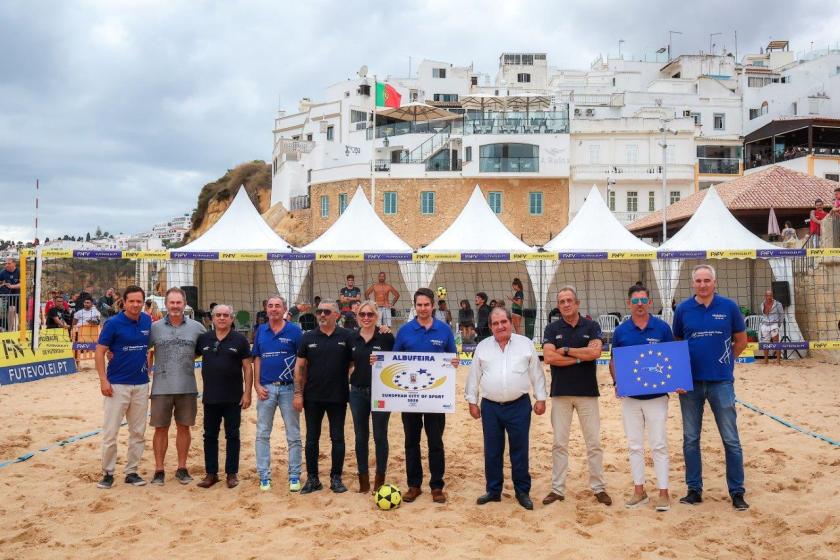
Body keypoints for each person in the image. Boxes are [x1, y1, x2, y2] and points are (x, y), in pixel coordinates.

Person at [673, 264, 749, 511]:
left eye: (707, 280)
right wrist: (680, 376)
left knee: (731, 440)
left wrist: (726, 362)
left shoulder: (729, 307)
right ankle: (694, 490)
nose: (703, 284)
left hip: (721, 382)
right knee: (691, 439)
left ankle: (737, 492)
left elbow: (741, 341)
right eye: (698, 281)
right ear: (693, 283)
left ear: (714, 282)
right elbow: (677, 345)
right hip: (691, 384)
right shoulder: (683, 309)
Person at [465, 307, 547, 510]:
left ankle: (522, 492)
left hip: (519, 405)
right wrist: (471, 401)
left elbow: (537, 374)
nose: (500, 326)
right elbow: (473, 376)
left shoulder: (526, 344)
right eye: (495, 323)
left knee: (519, 451)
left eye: (504, 322)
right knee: (492, 451)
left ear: (510, 322)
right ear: (490, 326)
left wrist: (541, 398)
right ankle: (493, 491)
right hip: (490, 407)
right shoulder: (483, 347)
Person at [541, 286, 612, 507]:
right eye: (561, 301)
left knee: (593, 443)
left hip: (587, 392)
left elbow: (595, 353)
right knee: (559, 444)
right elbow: (549, 358)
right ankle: (557, 489)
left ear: (577, 302)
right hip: (560, 393)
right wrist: (580, 357)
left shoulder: (591, 325)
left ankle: (599, 488)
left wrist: (566, 350)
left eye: (569, 300)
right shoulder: (552, 328)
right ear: (558, 305)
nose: (566, 304)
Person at [609, 284, 675, 512]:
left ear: (650, 302)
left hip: (657, 397)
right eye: (635, 301)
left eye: (643, 300)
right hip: (631, 399)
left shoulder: (662, 328)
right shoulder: (621, 331)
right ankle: (640, 491)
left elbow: (672, 360)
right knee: (634, 446)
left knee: (659, 445)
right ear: (629, 304)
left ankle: (663, 493)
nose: (639, 305)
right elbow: (614, 361)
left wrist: (677, 382)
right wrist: (617, 383)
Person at [393, 287, 458, 504]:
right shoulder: (404, 331)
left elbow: (452, 358)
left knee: (435, 442)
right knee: (411, 441)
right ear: (415, 306)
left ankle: (437, 486)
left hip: (435, 397)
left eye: (426, 305)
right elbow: (394, 361)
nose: (423, 309)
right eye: (419, 305)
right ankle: (414, 485)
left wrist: (455, 362)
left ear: (432, 306)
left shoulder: (444, 330)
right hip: (410, 397)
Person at [147, 287, 207, 486]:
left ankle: (182, 468)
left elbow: (204, 350)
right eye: (171, 302)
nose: (175, 306)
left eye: (178, 302)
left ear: (184, 304)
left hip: (187, 386)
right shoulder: (154, 328)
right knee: (160, 429)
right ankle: (159, 470)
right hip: (160, 387)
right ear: (166, 304)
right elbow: (142, 349)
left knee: (184, 428)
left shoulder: (197, 327)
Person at [94, 285, 152, 489]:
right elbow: (100, 352)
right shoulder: (113, 323)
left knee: (138, 432)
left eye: (139, 301)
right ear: (124, 302)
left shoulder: (147, 320)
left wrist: (149, 366)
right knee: (111, 433)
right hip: (117, 385)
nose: (136, 305)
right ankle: (108, 473)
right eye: (132, 301)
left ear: (143, 303)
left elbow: (149, 346)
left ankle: (132, 472)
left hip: (141, 384)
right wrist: (103, 380)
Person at [293, 301, 354, 494]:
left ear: (336, 315)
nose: (322, 315)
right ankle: (313, 479)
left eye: (326, 312)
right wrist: (298, 394)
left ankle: (336, 478)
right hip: (313, 397)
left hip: (338, 396)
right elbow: (299, 368)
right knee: (312, 439)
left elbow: (355, 361)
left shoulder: (347, 336)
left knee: (337, 438)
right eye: (319, 311)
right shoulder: (308, 337)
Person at [194, 304, 253, 489]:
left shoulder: (240, 340)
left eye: (225, 315)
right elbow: (187, 358)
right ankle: (211, 474)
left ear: (231, 318)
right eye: (218, 315)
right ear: (212, 318)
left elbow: (247, 368)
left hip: (233, 397)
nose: (221, 318)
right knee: (209, 436)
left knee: (232, 436)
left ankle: (231, 474)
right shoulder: (203, 339)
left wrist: (247, 393)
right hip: (210, 397)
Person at [252, 295, 303, 492]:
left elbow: (301, 362)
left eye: (277, 306)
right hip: (266, 388)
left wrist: (299, 391)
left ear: (284, 309)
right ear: (266, 309)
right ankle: (264, 476)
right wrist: (256, 384)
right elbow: (257, 358)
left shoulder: (294, 331)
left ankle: (294, 476)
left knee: (293, 435)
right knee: (262, 433)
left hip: (289, 388)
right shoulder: (261, 331)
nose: (273, 309)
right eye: (270, 306)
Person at [349, 301, 395, 493]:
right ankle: (363, 480)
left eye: (370, 314)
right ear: (357, 316)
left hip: (381, 392)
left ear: (376, 317)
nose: (366, 318)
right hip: (358, 392)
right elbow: (347, 363)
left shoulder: (386, 337)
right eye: (362, 314)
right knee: (361, 437)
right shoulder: (352, 338)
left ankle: (380, 478)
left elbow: (399, 361)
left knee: (380, 436)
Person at [759, 289, 784, 366]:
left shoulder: (778, 304)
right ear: (765, 296)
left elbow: (782, 315)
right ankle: (766, 360)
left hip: (774, 324)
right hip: (765, 325)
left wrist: (778, 324)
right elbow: (764, 315)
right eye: (767, 295)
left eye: (770, 295)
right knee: (765, 343)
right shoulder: (762, 304)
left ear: (772, 296)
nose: (769, 297)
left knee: (776, 342)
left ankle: (778, 361)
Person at [0, 257, 21, 331]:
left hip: (19, 296)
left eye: (9, 263)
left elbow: (23, 284)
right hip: (7, 296)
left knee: (19, 315)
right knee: (9, 311)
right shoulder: (3, 272)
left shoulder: (19, 271)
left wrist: (12, 286)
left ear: (14, 264)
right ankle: (8, 330)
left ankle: (17, 330)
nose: (6, 265)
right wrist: (2, 285)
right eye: (6, 263)